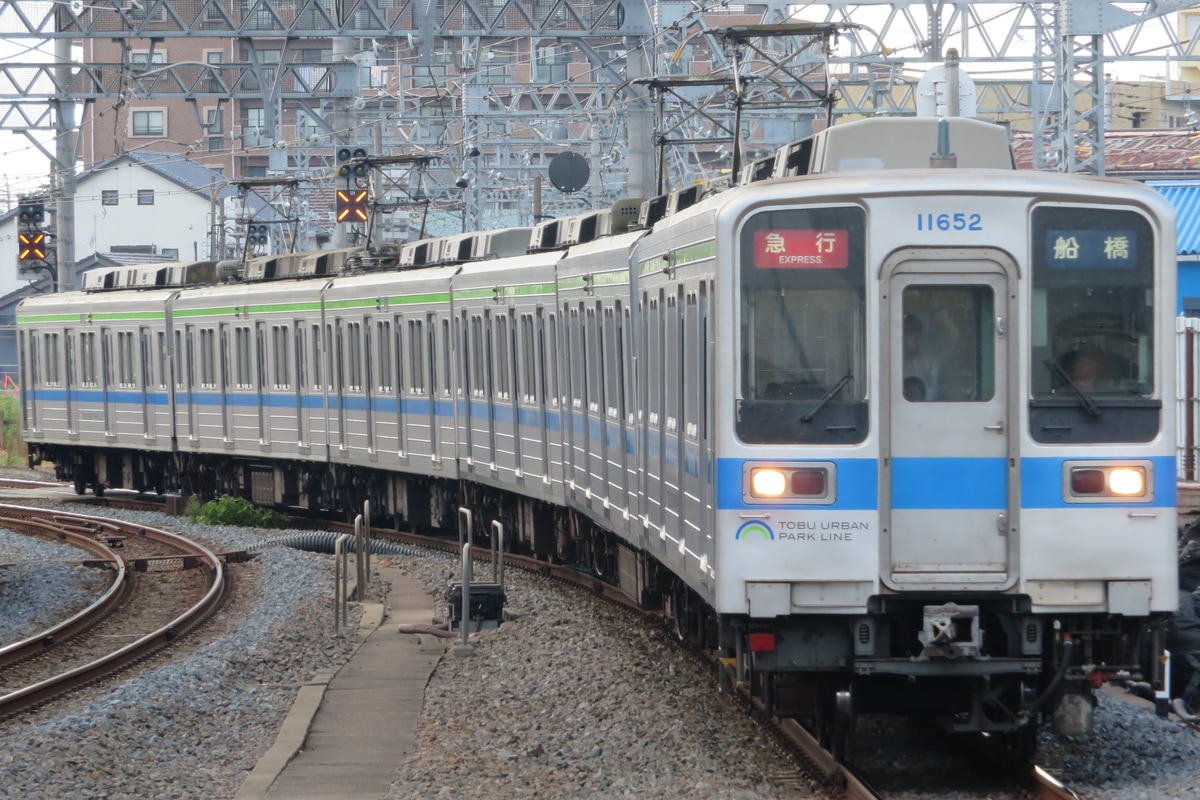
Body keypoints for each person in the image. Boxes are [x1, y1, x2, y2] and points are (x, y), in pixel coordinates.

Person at [902, 313, 943, 400]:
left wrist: (933, 308)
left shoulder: (932, 357)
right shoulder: (891, 360)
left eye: (912, 331)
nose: (907, 335)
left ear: (919, 333)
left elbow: (953, 334)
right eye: (904, 331)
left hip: (931, 407)